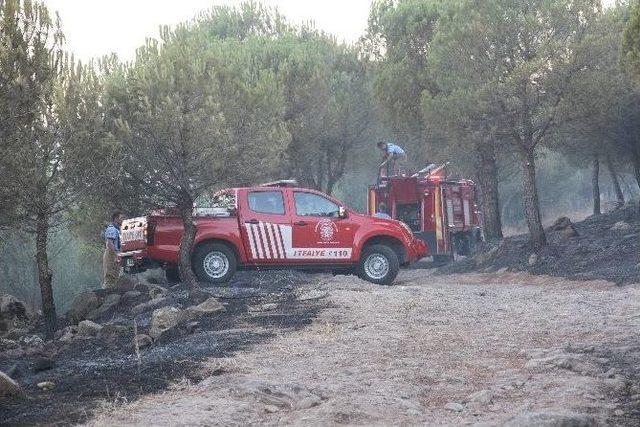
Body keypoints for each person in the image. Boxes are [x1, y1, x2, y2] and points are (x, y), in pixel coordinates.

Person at [103, 211, 124, 289]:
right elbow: (109, 243)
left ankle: (113, 294)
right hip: (111, 253)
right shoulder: (112, 229)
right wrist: (117, 253)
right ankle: (107, 294)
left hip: (115, 253)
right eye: (121, 218)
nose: (122, 220)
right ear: (116, 219)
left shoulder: (118, 230)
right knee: (110, 275)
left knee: (115, 274)